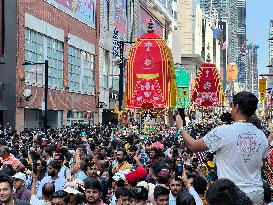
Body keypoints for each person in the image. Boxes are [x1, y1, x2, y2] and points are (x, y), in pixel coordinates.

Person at [176, 91, 268, 205]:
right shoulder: (261, 135)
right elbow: (262, 165)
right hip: (256, 194)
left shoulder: (223, 131)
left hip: (230, 196)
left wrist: (180, 128)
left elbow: (193, 146)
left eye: (231, 105)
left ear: (236, 107)